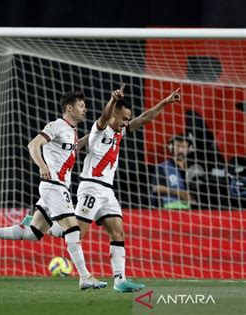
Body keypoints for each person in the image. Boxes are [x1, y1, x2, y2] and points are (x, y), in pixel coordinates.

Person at [0, 90, 121, 291]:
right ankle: (85, 277)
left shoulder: (71, 132)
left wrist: (93, 138)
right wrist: (42, 165)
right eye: (81, 106)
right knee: (73, 229)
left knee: (33, 233)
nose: (85, 110)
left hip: (58, 187)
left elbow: (76, 146)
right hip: (54, 186)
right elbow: (33, 145)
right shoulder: (57, 126)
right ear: (69, 108)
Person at [47, 85, 181, 293]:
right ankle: (47, 223)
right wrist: (112, 100)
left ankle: (120, 280)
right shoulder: (98, 129)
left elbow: (144, 118)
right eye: (124, 118)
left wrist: (165, 102)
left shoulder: (120, 131)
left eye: (128, 119)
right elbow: (104, 115)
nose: (126, 123)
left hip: (107, 191)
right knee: (75, 233)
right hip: (91, 187)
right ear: (113, 116)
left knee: (118, 232)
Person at [150, 135, 197, 209]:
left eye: (184, 147)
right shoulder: (163, 167)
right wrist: (179, 193)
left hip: (191, 209)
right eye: (177, 146)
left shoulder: (193, 169)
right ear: (171, 148)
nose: (180, 150)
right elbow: (156, 188)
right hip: (169, 208)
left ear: (189, 149)